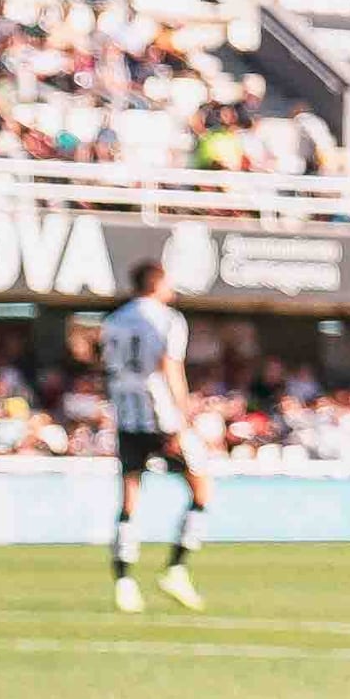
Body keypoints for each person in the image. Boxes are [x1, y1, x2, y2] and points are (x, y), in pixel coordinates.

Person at [96, 261, 210, 614]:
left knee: (129, 496)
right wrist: (184, 418)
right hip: (162, 416)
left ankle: (124, 581)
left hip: (126, 414)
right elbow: (170, 368)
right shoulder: (168, 320)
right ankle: (176, 568)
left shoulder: (113, 321)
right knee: (201, 489)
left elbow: (108, 367)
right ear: (157, 283)